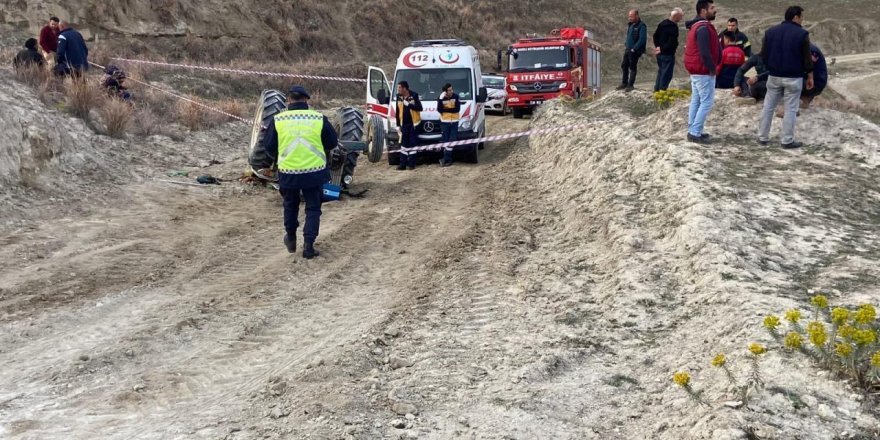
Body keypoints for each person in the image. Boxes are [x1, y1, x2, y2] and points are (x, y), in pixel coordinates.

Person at [260, 85, 338, 259]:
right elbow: (332, 142)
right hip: (314, 172)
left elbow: (269, 146)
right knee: (313, 208)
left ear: (288, 99)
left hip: (288, 173)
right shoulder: (318, 118)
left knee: (290, 205)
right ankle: (309, 246)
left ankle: (291, 237)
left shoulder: (278, 120)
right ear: (306, 100)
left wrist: (282, 159)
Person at [757, 6, 814, 149]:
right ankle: (787, 140)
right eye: (801, 17)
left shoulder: (770, 32)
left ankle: (762, 137)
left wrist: (769, 67)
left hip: (774, 76)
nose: (802, 20)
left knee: (768, 106)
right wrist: (810, 76)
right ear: (795, 17)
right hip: (793, 78)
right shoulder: (802, 34)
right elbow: (807, 59)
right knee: (790, 109)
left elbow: (763, 54)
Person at [683, 0, 721, 144]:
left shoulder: (697, 27)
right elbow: (704, 52)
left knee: (697, 100)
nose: (715, 10)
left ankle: (693, 129)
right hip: (703, 71)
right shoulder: (703, 28)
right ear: (703, 11)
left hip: (696, 70)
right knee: (707, 102)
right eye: (712, 8)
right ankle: (695, 132)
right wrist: (712, 68)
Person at [652, 8, 683, 92]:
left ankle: (657, 90)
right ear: (675, 16)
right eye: (680, 16)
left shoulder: (662, 24)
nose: (681, 18)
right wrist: (661, 49)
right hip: (668, 54)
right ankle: (662, 91)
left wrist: (658, 47)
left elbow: (655, 36)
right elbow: (671, 42)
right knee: (666, 74)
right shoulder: (673, 27)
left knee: (661, 72)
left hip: (660, 54)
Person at [395, 81, 423, 170]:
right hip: (404, 125)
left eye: (399, 87)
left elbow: (420, 108)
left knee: (412, 144)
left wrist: (409, 105)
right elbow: (397, 111)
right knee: (403, 144)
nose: (398, 89)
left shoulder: (414, 95)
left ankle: (411, 164)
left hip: (413, 124)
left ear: (404, 88)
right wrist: (398, 124)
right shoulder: (398, 97)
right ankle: (402, 164)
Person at [617, 9, 647, 92]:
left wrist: (634, 48)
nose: (629, 18)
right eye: (629, 16)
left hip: (634, 50)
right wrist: (626, 44)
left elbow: (642, 39)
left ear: (637, 15)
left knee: (632, 67)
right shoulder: (630, 25)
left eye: (631, 16)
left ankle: (630, 85)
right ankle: (624, 83)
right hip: (628, 49)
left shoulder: (642, 26)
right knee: (624, 65)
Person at [437, 83, 461, 167]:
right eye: (449, 90)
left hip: (454, 122)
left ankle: (445, 159)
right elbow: (439, 109)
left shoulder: (456, 96)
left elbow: (457, 109)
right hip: (444, 122)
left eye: (452, 89)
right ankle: (448, 159)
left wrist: (446, 110)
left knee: (452, 141)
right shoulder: (441, 98)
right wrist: (440, 99)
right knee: (446, 141)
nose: (451, 91)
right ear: (445, 92)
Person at [800, 43, 827, 109]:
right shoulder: (805, 48)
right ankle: (802, 101)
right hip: (811, 81)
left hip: (815, 83)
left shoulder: (811, 50)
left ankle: (796, 104)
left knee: (789, 79)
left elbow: (808, 67)